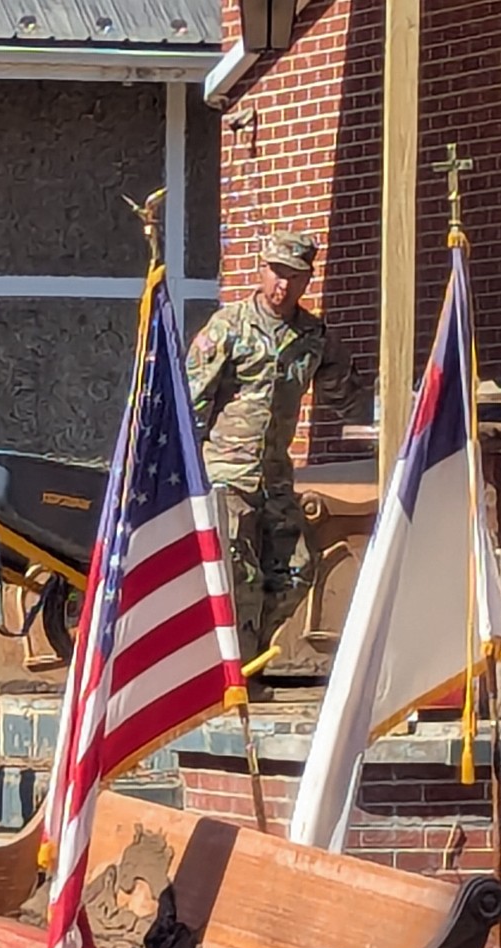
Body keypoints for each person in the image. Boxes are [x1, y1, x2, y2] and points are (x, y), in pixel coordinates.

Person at [187, 230, 369, 666]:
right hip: (226, 475)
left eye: (294, 276)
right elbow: (190, 402)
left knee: (296, 570)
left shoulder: (313, 336)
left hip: (275, 479)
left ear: (307, 281)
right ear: (261, 268)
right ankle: (235, 675)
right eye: (276, 273)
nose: (282, 286)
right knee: (239, 576)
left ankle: (250, 654)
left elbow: (351, 401)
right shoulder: (228, 327)